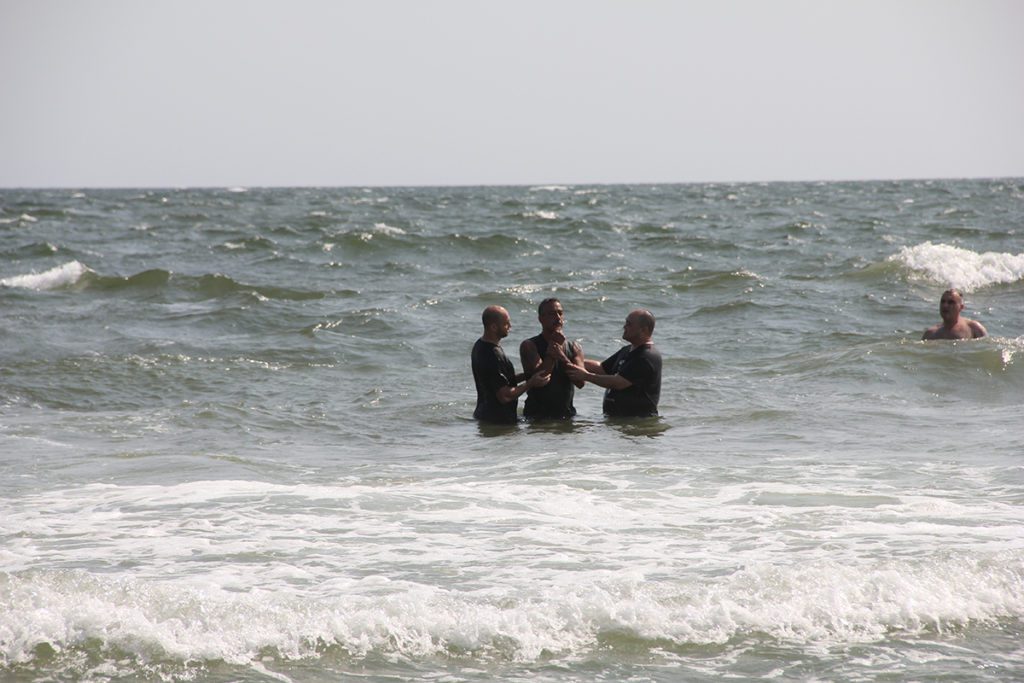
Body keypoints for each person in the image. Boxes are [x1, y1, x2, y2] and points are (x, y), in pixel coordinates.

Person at [566, 309, 661, 417]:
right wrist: (575, 361)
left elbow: (619, 383)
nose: (624, 327)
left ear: (644, 330)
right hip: (618, 421)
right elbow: (602, 368)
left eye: (629, 324)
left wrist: (586, 376)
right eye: (625, 323)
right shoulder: (627, 350)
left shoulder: (647, 356)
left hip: (637, 423)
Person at [471, 305, 550, 424]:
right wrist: (531, 383)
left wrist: (527, 375)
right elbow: (504, 396)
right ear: (493, 327)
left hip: (485, 415)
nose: (510, 326)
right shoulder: (493, 355)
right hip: (497, 421)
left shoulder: (480, 345)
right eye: (506, 323)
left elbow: (501, 381)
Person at [519, 298, 585, 419]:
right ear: (541, 319)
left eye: (560, 313)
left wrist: (561, 356)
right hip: (536, 417)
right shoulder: (529, 345)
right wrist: (552, 351)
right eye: (552, 314)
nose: (558, 318)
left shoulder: (574, 347)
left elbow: (581, 382)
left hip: (566, 417)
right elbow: (542, 378)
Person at [921, 288, 988, 340]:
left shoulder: (974, 328)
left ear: (961, 307)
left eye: (951, 302)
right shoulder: (930, 334)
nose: (945, 305)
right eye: (943, 301)